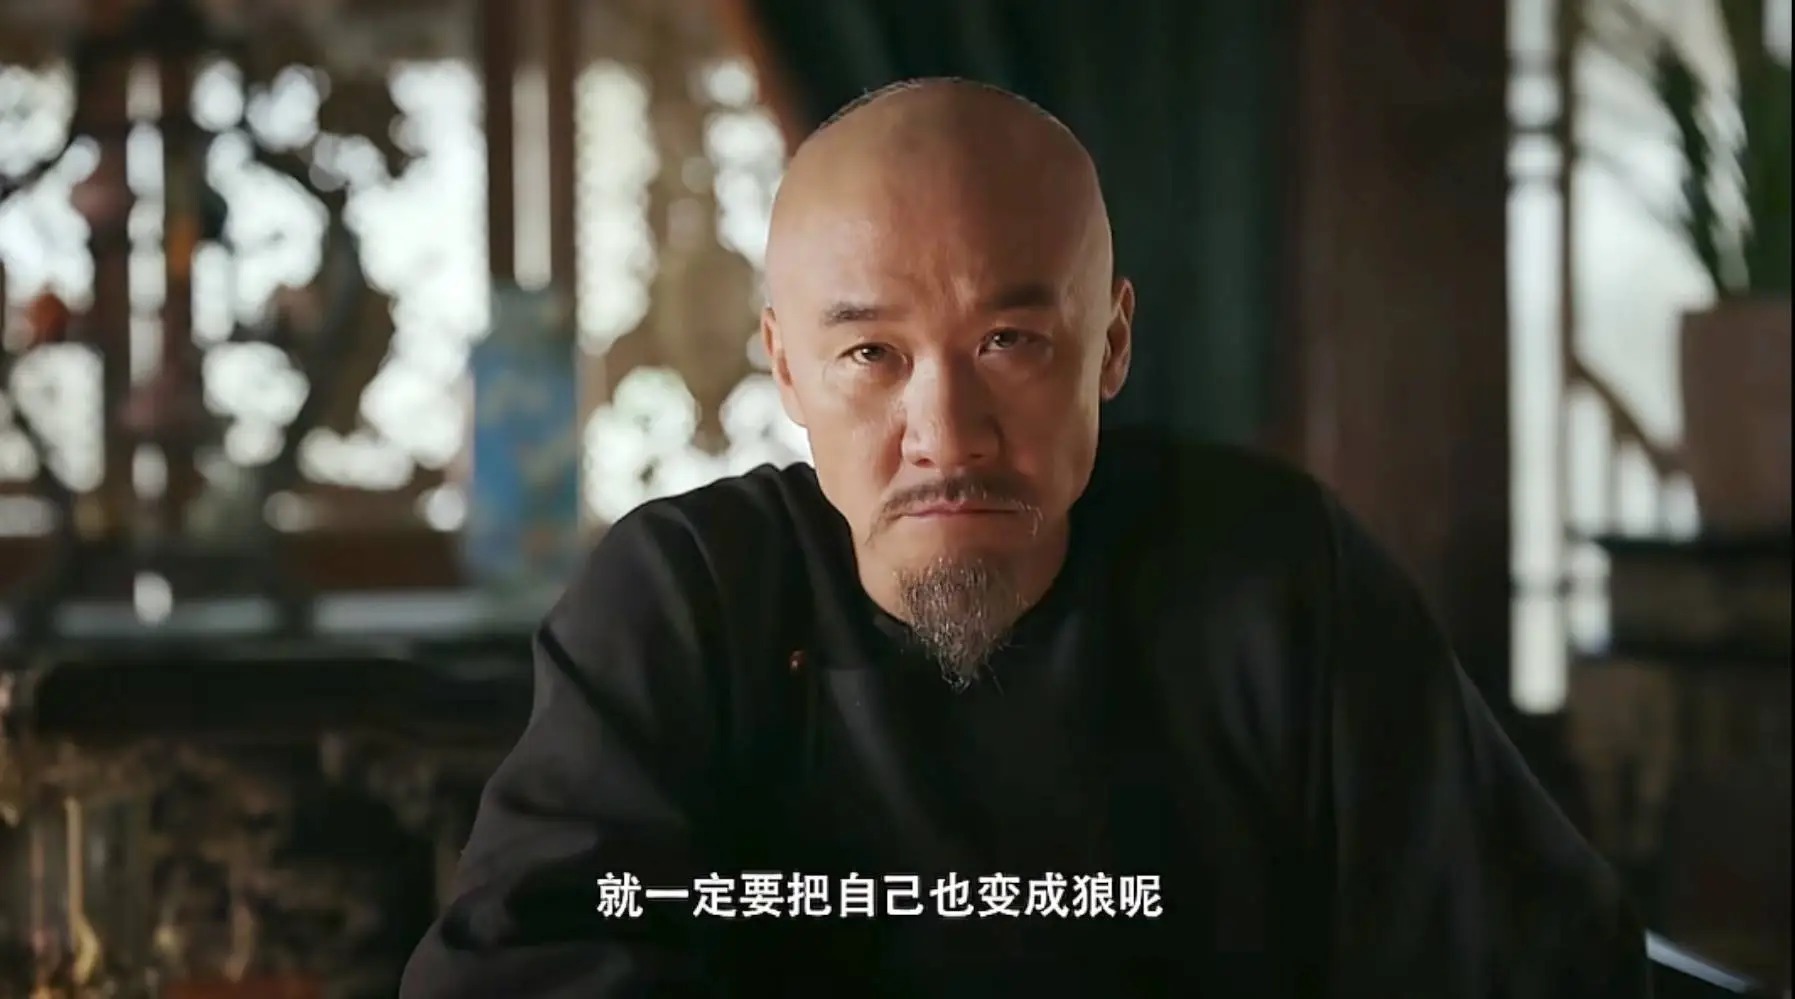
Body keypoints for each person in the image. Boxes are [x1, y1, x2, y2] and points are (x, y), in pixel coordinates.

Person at [400, 78, 1648, 997]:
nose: (945, 433)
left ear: (1110, 344)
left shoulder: (1270, 582)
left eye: (1010, 342)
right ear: (785, 370)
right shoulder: (691, 601)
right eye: (870, 355)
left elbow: (1541, 966)